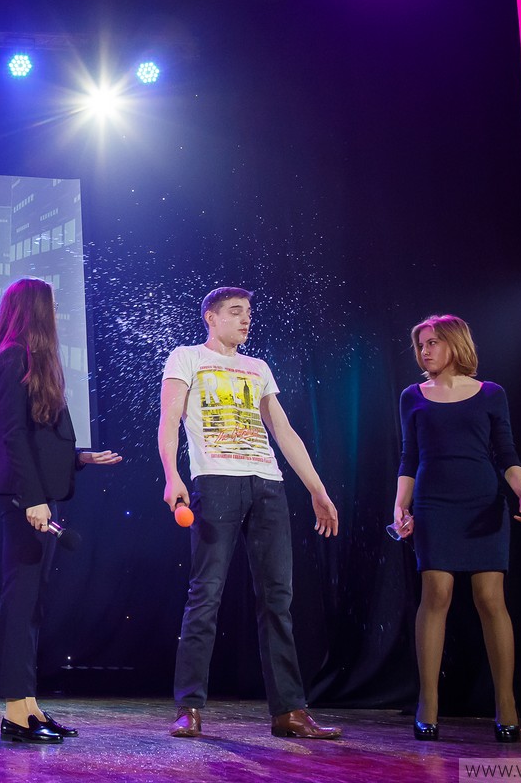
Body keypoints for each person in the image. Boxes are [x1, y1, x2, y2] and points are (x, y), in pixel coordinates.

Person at [157, 286, 342, 740]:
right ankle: (189, 707)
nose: (246, 320)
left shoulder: (257, 367)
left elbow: (284, 430)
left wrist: (317, 489)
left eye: (249, 313)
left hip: (267, 484)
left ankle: (289, 711)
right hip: (215, 481)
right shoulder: (187, 358)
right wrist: (172, 475)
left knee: (277, 598)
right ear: (211, 317)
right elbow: (169, 421)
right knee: (206, 594)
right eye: (236, 312)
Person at [0, 278, 121, 743]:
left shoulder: (34, 359)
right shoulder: (13, 357)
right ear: (34, 309)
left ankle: (30, 706)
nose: (57, 312)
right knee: (21, 602)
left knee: (33, 602)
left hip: (38, 492)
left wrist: (78, 458)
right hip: (24, 496)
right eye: (52, 305)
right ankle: (15, 712)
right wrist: (33, 498)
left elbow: (39, 435)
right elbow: (13, 436)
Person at [390, 314, 521, 743]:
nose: (425, 350)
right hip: (434, 503)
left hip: (482, 503)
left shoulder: (491, 393)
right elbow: (409, 456)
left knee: (490, 598)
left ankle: (506, 704)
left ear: (455, 344)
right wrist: (400, 504)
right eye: (421, 344)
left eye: (433, 342)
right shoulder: (412, 396)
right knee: (436, 592)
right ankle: (428, 703)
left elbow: (506, 451)